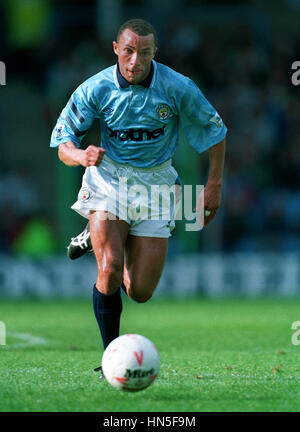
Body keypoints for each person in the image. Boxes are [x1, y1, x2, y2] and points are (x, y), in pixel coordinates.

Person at [50, 18, 227, 378]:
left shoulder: (178, 87)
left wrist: (213, 186)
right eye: (129, 51)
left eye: (144, 53)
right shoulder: (95, 88)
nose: (135, 61)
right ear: (116, 49)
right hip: (108, 181)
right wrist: (81, 156)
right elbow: (62, 142)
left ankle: (95, 235)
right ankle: (109, 359)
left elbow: (215, 131)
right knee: (110, 268)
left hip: (159, 184)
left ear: (154, 52)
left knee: (140, 291)